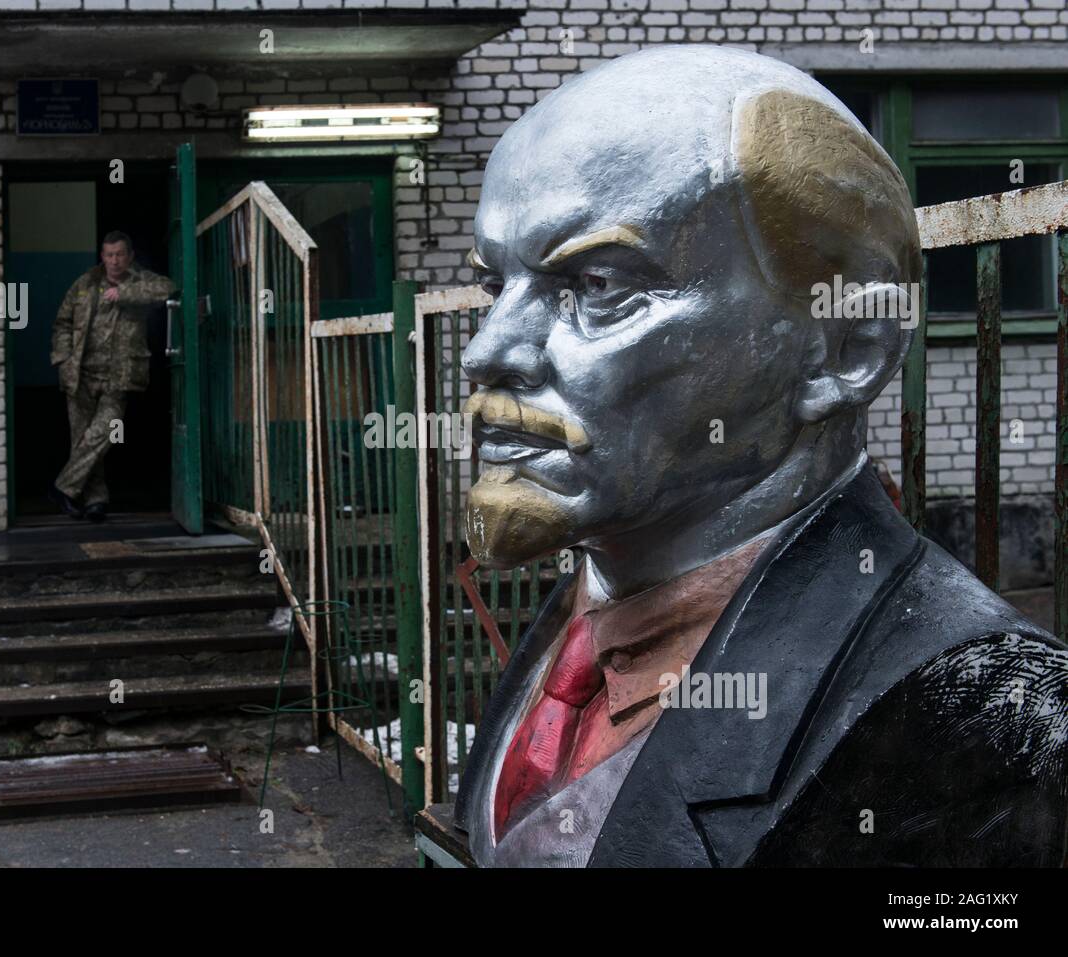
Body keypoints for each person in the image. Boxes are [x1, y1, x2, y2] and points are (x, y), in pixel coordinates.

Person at [452, 46, 1068, 866]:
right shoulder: (589, 606)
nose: (487, 352)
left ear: (847, 346)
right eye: (496, 286)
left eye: (600, 285)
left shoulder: (994, 730)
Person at [48, 231, 176, 521]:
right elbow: (62, 323)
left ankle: (63, 487)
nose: (114, 260)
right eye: (109, 255)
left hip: (119, 374)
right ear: (102, 257)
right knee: (84, 439)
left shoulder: (141, 281)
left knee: (104, 431)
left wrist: (126, 294)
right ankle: (95, 500)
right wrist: (63, 358)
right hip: (80, 373)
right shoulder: (85, 284)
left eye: (119, 254)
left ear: (130, 256)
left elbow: (169, 289)